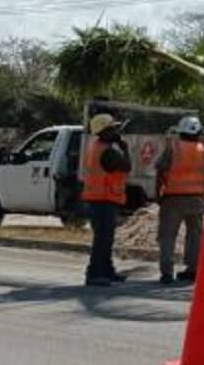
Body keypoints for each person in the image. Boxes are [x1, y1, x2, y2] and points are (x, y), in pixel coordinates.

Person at [156, 116, 204, 285]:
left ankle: (167, 272)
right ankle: (192, 270)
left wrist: (157, 194)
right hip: (196, 199)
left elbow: (160, 171)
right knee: (195, 237)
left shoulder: (172, 148)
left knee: (167, 236)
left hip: (172, 198)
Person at [80, 113, 131, 287]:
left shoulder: (99, 146)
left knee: (106, 238)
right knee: (103, 238)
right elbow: (127, 166)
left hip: (100, 198)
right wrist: (125, 148)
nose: (116, 131)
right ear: (104, 131)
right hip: (103, 199)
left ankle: (107, 271)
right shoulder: (108, 152)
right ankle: (94, 273)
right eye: (112, 129)